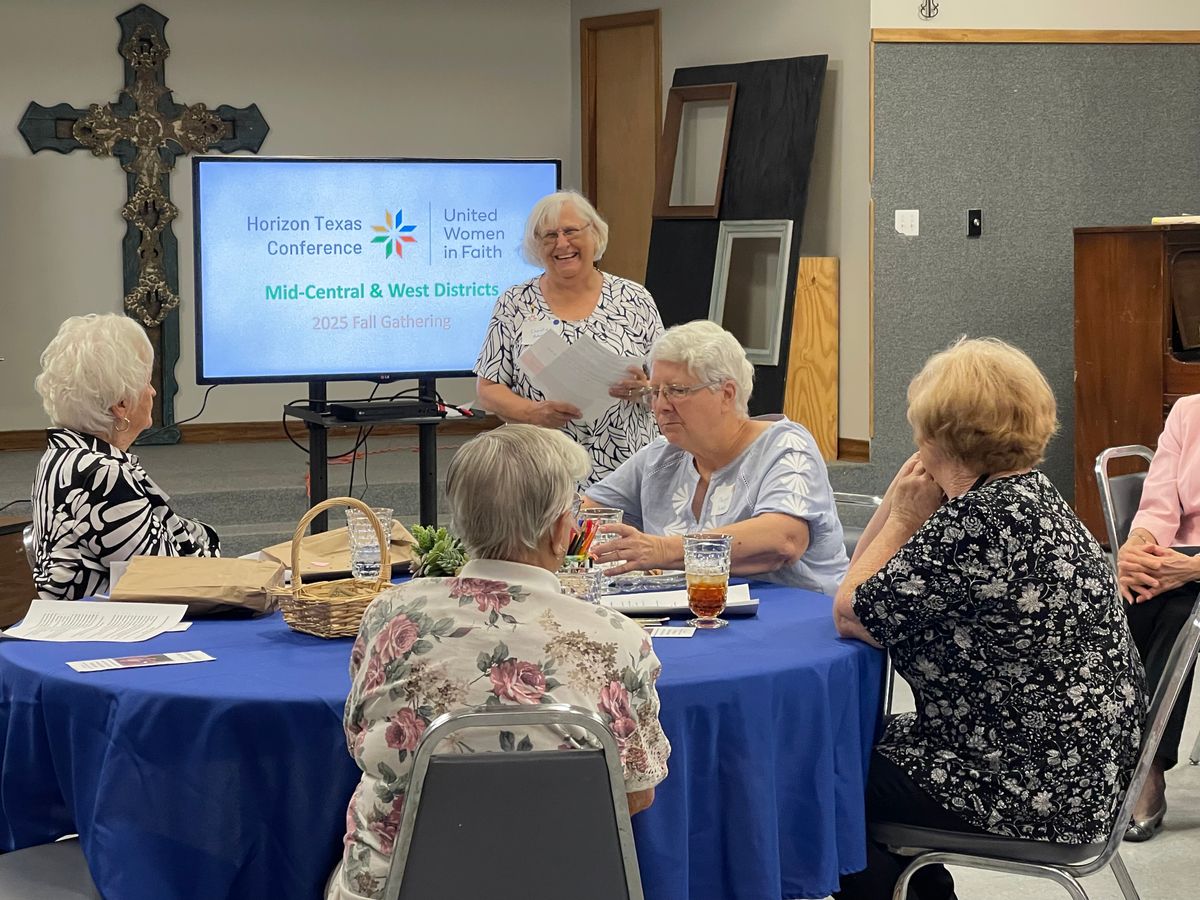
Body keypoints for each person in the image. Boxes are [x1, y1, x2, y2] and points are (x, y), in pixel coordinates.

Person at [831, 338, 1146, 900]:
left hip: (1029, 785)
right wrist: (905, 501)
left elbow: (851, 610)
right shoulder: (1027, 497)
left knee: (819, 777)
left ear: (935, 435)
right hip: (1083, 766)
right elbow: (866, 589)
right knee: (838, 749)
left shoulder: (978, 523)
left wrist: (903, 512)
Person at [327, 424, 670, 900]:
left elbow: (360, 742)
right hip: (560, 887)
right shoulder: (620, 640)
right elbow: (635, 792)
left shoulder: (390, 614)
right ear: (558, 531)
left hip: (398, 889)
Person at [584, 320, 848, 594]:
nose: (661, 406)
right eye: (655, 393)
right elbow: (584, 511)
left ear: (726, 394)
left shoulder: (785, 445)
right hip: (689, 619)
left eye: (677, 391)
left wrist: (662, 549)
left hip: (793, 622)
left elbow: (782, 541)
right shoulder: (661, 455)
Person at [475, 190, 662, 483]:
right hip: (543, 466)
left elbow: (668, 383)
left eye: (571, 231)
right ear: (536, 246)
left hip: (629, 466)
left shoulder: (634, 298)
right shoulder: (514, 303)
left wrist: (646, 388)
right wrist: (533, 412)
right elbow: (488, 388)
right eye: (549, 236)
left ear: (595, 234)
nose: (562, 243)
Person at [31, 314, 220, 601]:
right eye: (147, 381)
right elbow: (169, 578)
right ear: (121, 404)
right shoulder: (101, 472)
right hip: (98, 633)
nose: (153, 391)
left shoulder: (62, 455)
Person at [1115, 393, 1200, 840]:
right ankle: (1115, 752)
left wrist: (1193, 567)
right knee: (1130, 598)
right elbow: (1158, 503)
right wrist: (1137, 547)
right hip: (1170, 561)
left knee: (1184, 615)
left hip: (1189, 570)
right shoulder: (1188, 412)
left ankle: (1146, 771)